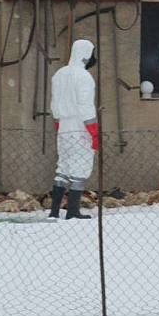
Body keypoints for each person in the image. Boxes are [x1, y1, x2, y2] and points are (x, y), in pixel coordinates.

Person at [49, 39, 98, 220]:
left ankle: (54, 211)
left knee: (62, 167)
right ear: (86, 55)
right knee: (80, 168)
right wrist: (93, 131)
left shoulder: (59, 74)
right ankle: (73, 211)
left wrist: (57, 124)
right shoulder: (84, 77)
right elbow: (86, 107)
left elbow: (54, 104)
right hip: (80, 126)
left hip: (63, 127)